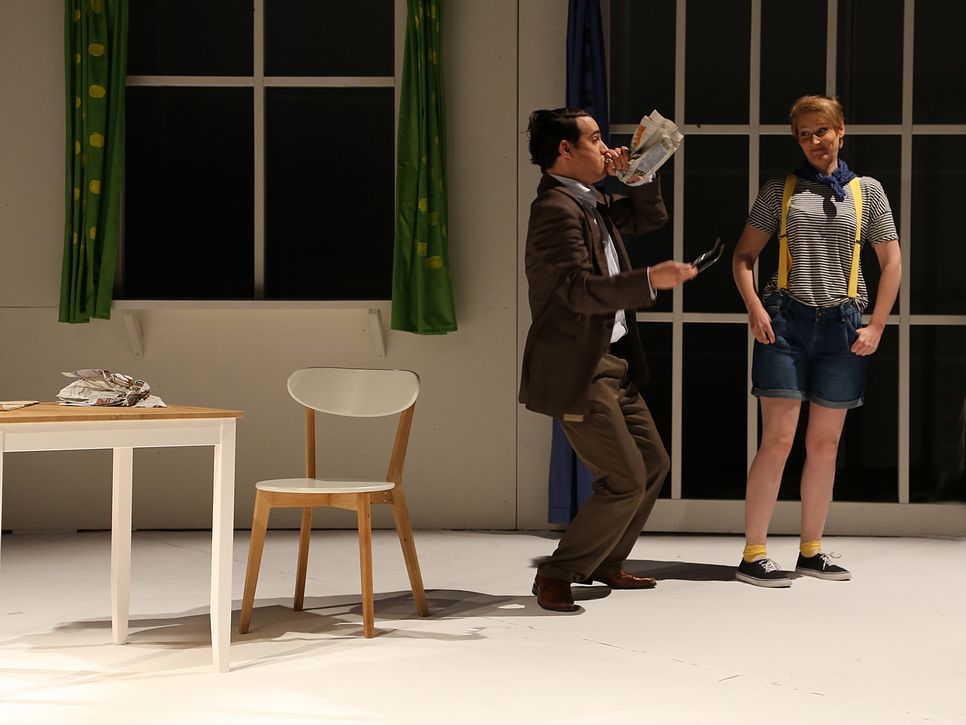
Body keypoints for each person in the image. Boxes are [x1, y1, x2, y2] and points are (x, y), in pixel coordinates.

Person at [519, 107, 697, 612]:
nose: (606, 148)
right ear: (565, 149)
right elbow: (575, 290)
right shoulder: (555, 209)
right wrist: (649, 280)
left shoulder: (588, 200)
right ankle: (557, 573)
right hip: (580, 365)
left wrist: (638, 176)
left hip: (614, 362)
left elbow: (648, 217)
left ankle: (605, 561)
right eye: (596, 139)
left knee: (653, 464)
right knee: (623, 478)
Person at [732, 95, 901, 587]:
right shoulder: (779, 191)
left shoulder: (867, 191)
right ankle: (754, 553)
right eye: (804, 134)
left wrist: (876, 325)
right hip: (785, 322)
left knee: (824, 445)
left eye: (821, 131)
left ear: (840, 131)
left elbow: (891, 261)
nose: (813, 141)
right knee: (778, 440)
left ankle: (811, 550)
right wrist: (756, 308)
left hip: (842, 326)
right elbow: (743, 258)